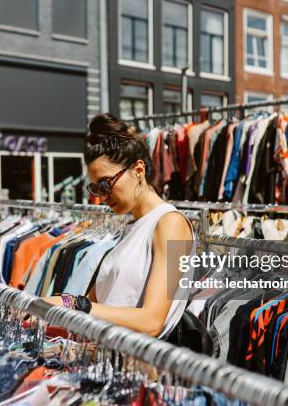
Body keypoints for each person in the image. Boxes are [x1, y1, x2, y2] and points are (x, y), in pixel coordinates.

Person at [44, 113, 195, 338]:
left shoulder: (172, 224)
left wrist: (74, 304)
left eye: (106, 184)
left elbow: (151, 322)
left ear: (138, 170)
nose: (102, 196)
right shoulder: (132, 227)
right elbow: (97, 303)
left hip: (138, 368)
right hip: (103, 360)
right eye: (96, 188)